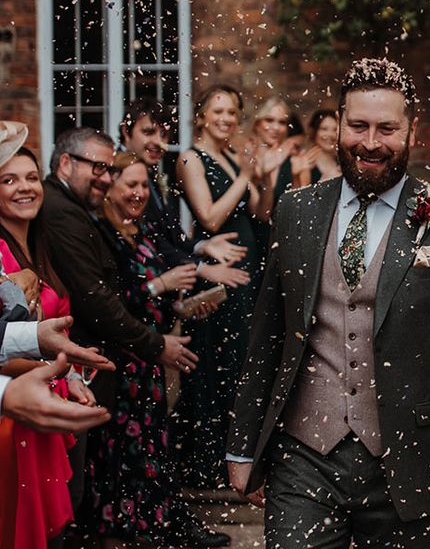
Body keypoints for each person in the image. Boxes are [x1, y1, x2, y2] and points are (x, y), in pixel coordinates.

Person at [226, 58, 430, 548]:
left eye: (387, 128)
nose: (371, 143)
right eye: (358, 126)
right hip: (303, 455)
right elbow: (268, 335)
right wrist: (242, 445)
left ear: (411, 132)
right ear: (338, 126)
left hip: (409, 456)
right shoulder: (297, 210)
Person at [43, 127, 198, 517]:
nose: (106, 177)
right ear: (65, 162)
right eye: (99, 167)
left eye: (110, 169)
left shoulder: (77, 211)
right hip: (101, 358)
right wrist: (157, 344)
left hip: (119, 353)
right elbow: (99, 302)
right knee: (81, 486)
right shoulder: (63, 214)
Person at [79, 153, 229, 548]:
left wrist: (184, 306)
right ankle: (124, 529)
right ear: (109, 187)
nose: (139, 193)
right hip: (121, 359)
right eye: (130, 184)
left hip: (152, 360)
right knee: (123, 454)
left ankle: (159, 523)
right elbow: (108, 303)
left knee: (153, 448)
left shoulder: (142, 230)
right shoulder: (101, 235)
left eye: (144, 185)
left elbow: (152, 299)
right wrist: (160, 285)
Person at [0, 143, 98, 548]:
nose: (23, 188)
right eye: (8, 180)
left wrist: (73, 376)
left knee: (56, 527)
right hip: (21, 407)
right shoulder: (2, 253)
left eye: (29, 177)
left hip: (56, 399)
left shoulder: (39, 245)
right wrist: (58, 372)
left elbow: (51, 332)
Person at [173, 85, 268, 489]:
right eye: (218, 111)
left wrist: (257, 175)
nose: (226, 119)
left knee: (242, 361)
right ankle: (205, 462)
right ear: (201, 116)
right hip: (217, 274)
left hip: (246, 271)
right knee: (217, 362)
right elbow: (210, 218)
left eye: (232, 112)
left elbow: (260, 211)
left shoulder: (230, 157)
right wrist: (245, 175)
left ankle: (236, 457)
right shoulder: (190, 158)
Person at [120, 98, 251, 291]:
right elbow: (150, 239)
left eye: (164, 135)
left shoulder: (150, 174)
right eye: (148, 132)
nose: (158, 142)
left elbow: (167, 232)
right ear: (126, 131)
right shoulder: (116, 173)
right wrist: (201, 268)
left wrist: (201, 245)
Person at [295, 108, 342, 186]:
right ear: (313, 131)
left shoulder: (342, 164)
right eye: (324, 129)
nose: (330, 134)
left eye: (335, 129)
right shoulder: (305, 163)